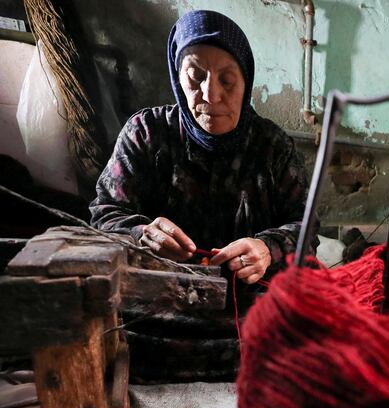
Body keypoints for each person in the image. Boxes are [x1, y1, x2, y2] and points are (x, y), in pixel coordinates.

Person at [90, 10, 315, 283]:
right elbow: (105, 214)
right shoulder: (145, 134)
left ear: (246, 82)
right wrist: (141, 233)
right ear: (177, 78)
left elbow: (307, 227)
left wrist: (267, 249)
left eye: (227, 81)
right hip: (160, 299)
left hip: (249, 304)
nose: (211, 95)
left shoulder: (272, 146)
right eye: (196, 76)